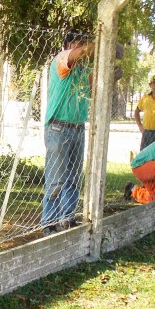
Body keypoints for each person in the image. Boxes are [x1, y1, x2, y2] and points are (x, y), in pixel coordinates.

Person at [41, 30, 95, 234]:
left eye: (84, 43)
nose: (82, 47)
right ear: (68, 45)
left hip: (77, 128)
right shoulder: (62, 59)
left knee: (73, 178)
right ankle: (49, 222)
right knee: (56, 179)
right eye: (79, 43)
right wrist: (104, 40)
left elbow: (95, 86)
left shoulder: (82, 69)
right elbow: (82, 53)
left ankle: (67, 219)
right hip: (58, 128)